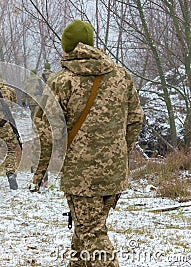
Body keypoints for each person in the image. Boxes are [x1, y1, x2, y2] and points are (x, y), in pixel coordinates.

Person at [31, 20, 144, 266]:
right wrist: (121, 154)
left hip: (80, 176)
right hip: (114, 174)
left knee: (92, 233)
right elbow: (135, 119)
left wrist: (41, 171)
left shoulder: (62, 81)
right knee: (87, 229)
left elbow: (46, 131)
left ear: (67, 48)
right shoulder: (121, 76)